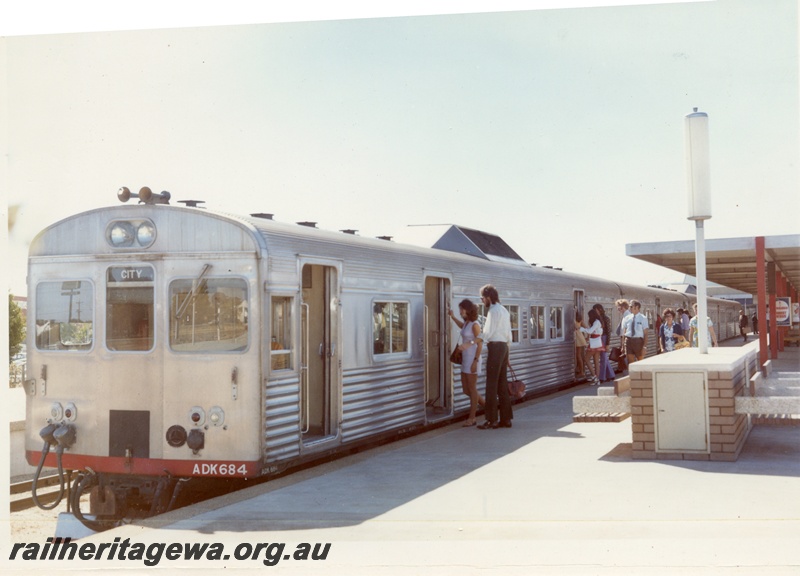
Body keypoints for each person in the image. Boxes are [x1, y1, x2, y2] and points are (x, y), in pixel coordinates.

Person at [476, 284, 513, 430]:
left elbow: (488, 332)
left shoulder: (493, 311)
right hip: (504, 347)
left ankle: (491, 420)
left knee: (491, 384)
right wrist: (507, 354)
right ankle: (506, 419)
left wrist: (474, 339)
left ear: (488, 297)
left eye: (482, 298)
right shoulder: (503, 310)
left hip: (495, 347)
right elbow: (509, 335)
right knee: (502, 384)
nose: (482, 301)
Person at [448, 299, 485, 426]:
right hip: (465, 358)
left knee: (472, 388)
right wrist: (452, 317)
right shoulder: (466, 323)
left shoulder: (475, 324)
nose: (460, 311)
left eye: (462, 309)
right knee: (466, 389)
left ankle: (472, 418)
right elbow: (462, 328)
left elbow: (480, 343)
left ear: (468, 310)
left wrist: (475, 361)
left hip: (473, 358)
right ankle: (487, 406)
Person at [621, 299, 649, 364]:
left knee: (640, 361)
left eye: (631, 306)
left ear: (637, 307)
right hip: (628, 341)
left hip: (638, 342)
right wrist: (623, 345)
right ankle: (633, 374)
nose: (629, 308)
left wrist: (644, 347)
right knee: (630, 362)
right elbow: (624, 333)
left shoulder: (643, 318)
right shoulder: (627, 318)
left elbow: (646, 334)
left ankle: (642, 374)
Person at [593, 303, 616, 382]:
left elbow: (608, 332)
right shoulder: (597, 319)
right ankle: (611, 375)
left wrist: (607, 344)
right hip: (598, 338)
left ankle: (602, 377)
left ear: (599, 309)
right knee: (604, 358)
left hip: (604, 338)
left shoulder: (606, 318)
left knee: (603, 358)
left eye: (595, 310)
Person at [582, 308, 604, 385]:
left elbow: (590, 331)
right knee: (596, 362)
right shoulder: (598, 322)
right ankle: (597, 380)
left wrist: (581, 329)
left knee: (586, 359)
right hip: (598, 343)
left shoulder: (596, 322)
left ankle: (594, 376)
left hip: (594, 343)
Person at [574, 310, 587, 380]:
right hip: (580, 337)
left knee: (578, 355)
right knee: (578, 355)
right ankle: (580, 370)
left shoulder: (573, 320)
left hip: (577, 338)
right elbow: (586, 327)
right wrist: (587, 336)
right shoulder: (579, 319)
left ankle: (581, 372)